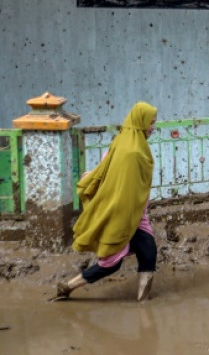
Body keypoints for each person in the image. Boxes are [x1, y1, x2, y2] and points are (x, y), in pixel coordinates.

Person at [53, 102, 159, 302]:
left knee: (148, 253)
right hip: (122, 214)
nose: (153, 127)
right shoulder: (132, 153)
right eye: (151, 123)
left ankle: (143, 304)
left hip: (136, 215)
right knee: (111, 262)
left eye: (154, 123)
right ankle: (67, 287)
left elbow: (107, 169)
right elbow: (117, 181)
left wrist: (92, 175)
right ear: (140, 122)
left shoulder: (123, 143)